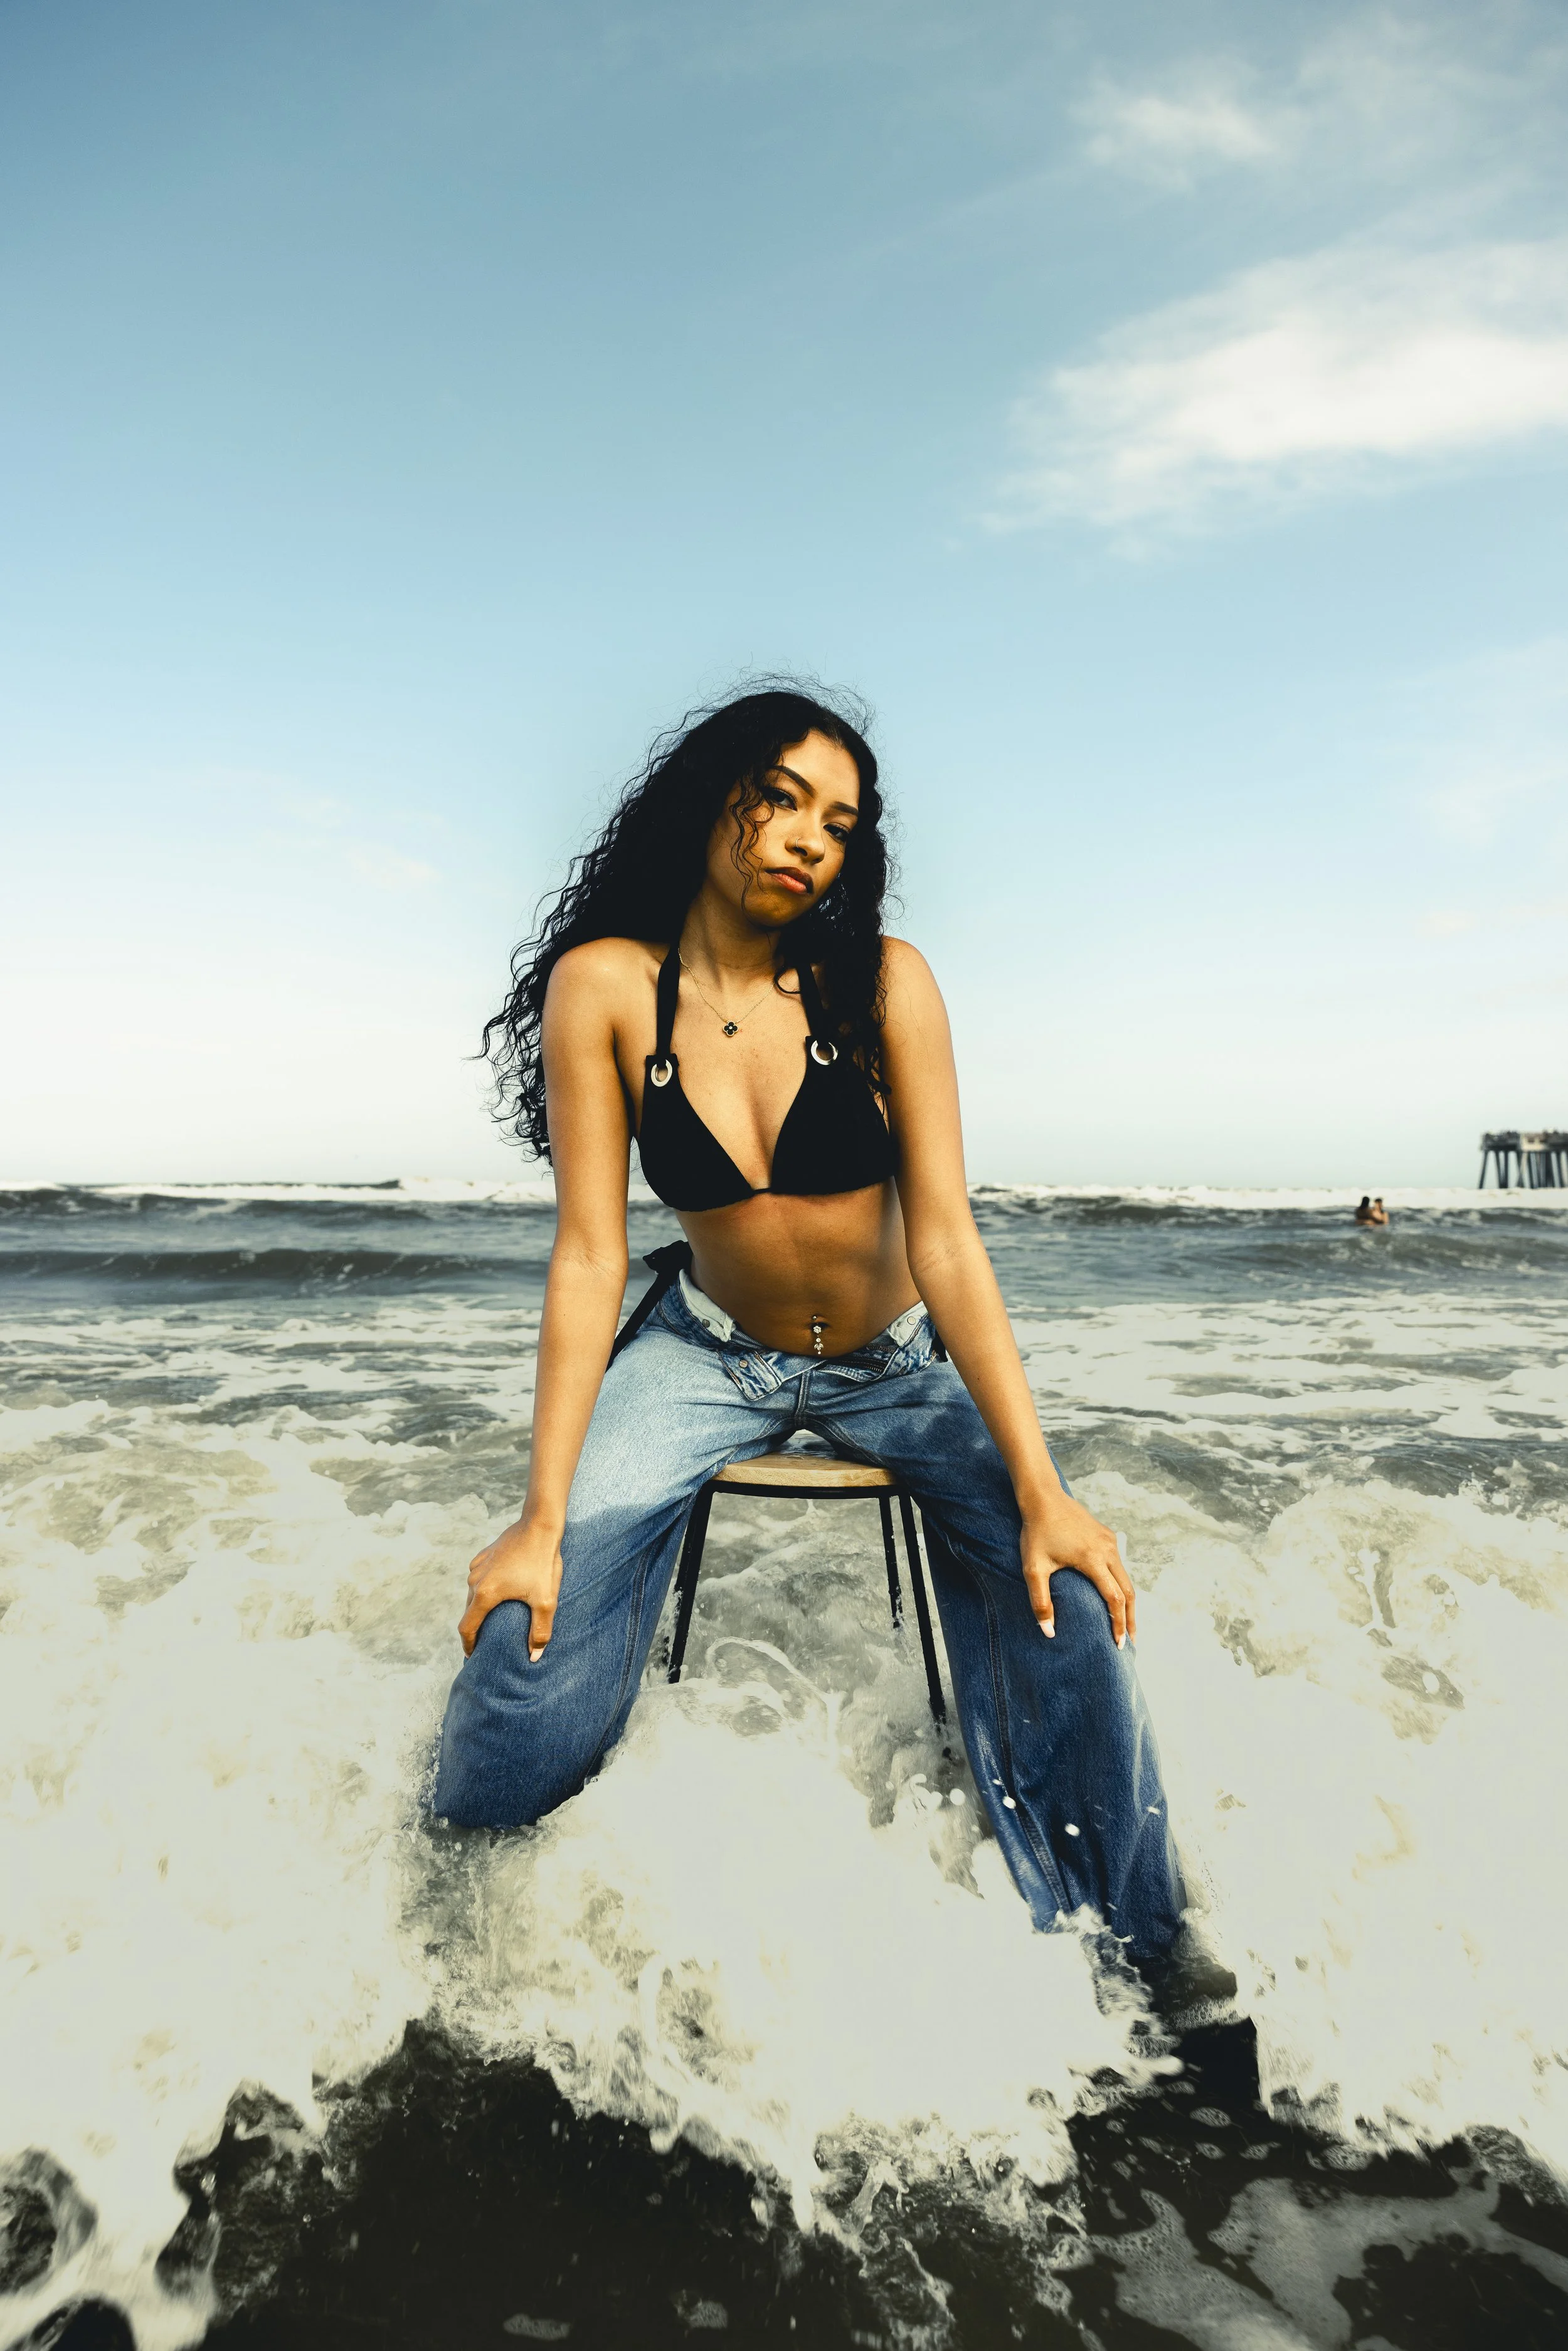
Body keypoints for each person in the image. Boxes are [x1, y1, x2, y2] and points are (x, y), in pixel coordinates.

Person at [432, 686, 1185, 1970]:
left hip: (895, 1364)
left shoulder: (881, 983)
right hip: (704, 1355)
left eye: (838, 823)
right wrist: (539, 1517)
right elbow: (590, 1255)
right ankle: (462, 1934)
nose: (807, 840)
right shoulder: (605, 988)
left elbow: (946, 1241)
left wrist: (1045, 1490)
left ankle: (1134, 1959)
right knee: (525, 1626)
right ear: (709, 796)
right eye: (778, 799)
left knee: (1064, 1590)